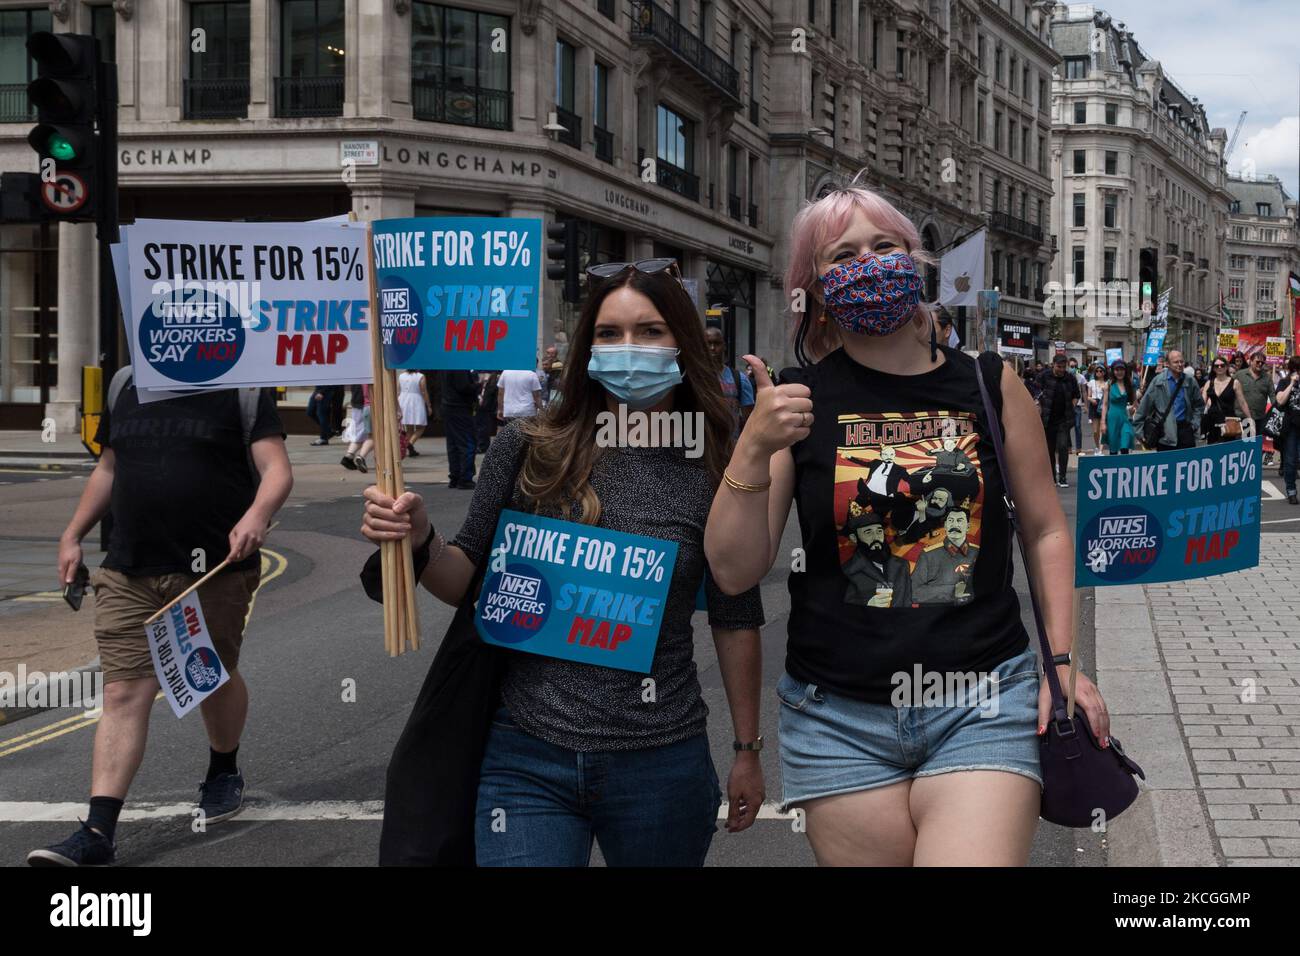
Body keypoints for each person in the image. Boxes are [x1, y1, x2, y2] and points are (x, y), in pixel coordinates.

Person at [704, 183, 1109, 867]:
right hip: (837, 719)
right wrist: (753, 447)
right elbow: (734, 569)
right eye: (845, 254)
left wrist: (1062, 664)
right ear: (817, 287)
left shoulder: (989, 381)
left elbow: (1044, 529)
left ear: (915, 262)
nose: (869, 261)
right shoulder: (796, 401)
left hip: (982, 702)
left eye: (885, 246)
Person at [360, 258, 766, 865]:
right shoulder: (527, 445)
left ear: (681, 342)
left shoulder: (715, 466)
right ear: (586, 347)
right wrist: (420, 538)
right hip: (525, 759)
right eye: (608, 333)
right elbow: (463, 581)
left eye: (650, 331)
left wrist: (747, 748)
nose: (628, 347)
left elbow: (736, 614)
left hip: (661, 761)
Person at [29, 378, 293, 866]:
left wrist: (258, 513)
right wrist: (72, 534)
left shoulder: (241, 388)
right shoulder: (126, 385)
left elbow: (276, 469)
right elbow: (109, 466)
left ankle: (223, 770)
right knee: (123, 691)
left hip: (212, 569)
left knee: (209, 676)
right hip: (128, 567)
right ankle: (98, 832)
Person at [1133, 349, 1201, 451]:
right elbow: (1144, 407)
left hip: (1186, 431)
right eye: (1175, 362)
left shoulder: (1190, 381)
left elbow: (1199, 405)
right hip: (1165, 434)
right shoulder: (1158, 382)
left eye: (1181, 361)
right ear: (1167, 364)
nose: (1179, 364)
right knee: (1167, 464)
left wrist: (1194, 424)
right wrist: (1139, 431)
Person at [706, 326, 755, 438]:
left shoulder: (739, 378)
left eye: (716, 343)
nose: (712, 348)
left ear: (724, 346)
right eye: (708, 343)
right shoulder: (693, 378)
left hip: (731, 447)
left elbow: (750, 419)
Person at [1038, 355, 1079, 488]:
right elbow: (1034, 391)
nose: (1061, 370)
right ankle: (1052, 478)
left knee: (1062, 447)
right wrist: (1038, 404)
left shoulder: (1070, 378)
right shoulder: (1044, 376)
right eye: (1059, 367)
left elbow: (1076, 395)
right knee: (1049, 449)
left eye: (1063, 367)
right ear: (1053, 365)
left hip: (1063, 419)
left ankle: (1062, 476)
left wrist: (1071, 406)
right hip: (1047, 418)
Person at [439, 370, 478, 490]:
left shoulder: (446, 366)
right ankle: (465, 477)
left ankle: (455, 476)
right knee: (467, 443)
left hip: (448, 405)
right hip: (460, 407)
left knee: (453, 444)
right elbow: (464, 387)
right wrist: (478, 384)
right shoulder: (460, 367)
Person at [1235, 352, 1276, 464]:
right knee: (1244, 445)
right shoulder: (1240, 375)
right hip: (1242, 417)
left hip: (1259, 418)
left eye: (1262, 362)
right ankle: (1242, 467)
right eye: (1257, 361)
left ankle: (1252, 468)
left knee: (1255, 445)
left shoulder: (1267, 378)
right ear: (1250, 361)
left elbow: (1272, 396)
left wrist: (1276, 411)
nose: (1260, 364)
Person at [1201, 358, 1252, 445]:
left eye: (1222, 365)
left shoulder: (1235, 383)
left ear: (1226, 367)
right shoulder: (1209, 383)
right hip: (1212, 421)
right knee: (1212, 448)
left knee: (1227, 449)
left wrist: (1250, 420)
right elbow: (1201, 403)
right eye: (1217, 366)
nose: (1219, 367)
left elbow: (1242, 403)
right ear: (1213, 368)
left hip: (1228, 421)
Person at [1277, 357, 1300, 505]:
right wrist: (1292, 383)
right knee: (1290, 461)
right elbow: (1280, 401)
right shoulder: (1284, 382)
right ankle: (1291, 491)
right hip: (1291, 427)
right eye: (1297, 369)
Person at [1101, 359, 1135, 455]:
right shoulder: (1109, 384)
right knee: (1114, 448)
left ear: (1125, 370)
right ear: (1113, 371)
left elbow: (1135, 402)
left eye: (1122, 369)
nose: (1119, 372)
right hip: (1112, 418)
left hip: (1125, 418)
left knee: (1125, 443)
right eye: (1117, 370)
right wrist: (1103, 422)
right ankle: (1113, 468)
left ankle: (1125, 467)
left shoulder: (1130, 384)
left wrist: (1133, 408)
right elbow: (1105, 404)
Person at [397, 370, 431, 457]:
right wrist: (428, 405)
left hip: (403, 400)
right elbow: (423, 391)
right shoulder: (420, 376)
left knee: (409, 427)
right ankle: (410, 444)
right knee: (422, 426)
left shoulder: (401, 376)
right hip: (416, 400)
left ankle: (407, 447)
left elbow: (398, 390)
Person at [340, 384, 373, 473]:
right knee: (369, 435)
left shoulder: (357, 375)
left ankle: (349, 456)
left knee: (360, 434)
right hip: (365, 405)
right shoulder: (367, 376)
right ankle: (360, 457)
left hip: (357, 403)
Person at [475, 370, 500, 454]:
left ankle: (483, 446)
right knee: (480, 427)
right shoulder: (480, 380)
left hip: (487, 407)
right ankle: (481, 445)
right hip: (480, 407)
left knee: (484, 427)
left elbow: (492, 393)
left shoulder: (493, 380)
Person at [1086, 365, 1107, 454]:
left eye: (1101, 371)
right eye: (1097, 371)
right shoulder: (1091, 382)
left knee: (1102, 429)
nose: (1099, 372)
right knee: (1095, 431)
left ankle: (1101, 449)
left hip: (1103, 405)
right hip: (1094, 405)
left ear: (1104, 372)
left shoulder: (1107, 383)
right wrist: (1091, 400)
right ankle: (1097, 447)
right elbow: (1088, 396)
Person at [1067, 358, 1086, 454]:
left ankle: (1079, 448)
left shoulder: (1081, 377)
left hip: (1078, 405)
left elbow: (1083, 391)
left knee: (1078, 426)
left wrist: (1086, 405)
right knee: (1067, 427)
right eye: (1071, 366)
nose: (1073, 368)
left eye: (1074, 366)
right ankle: (1069, 447)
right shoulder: (1065, 377)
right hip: (1067, 406)